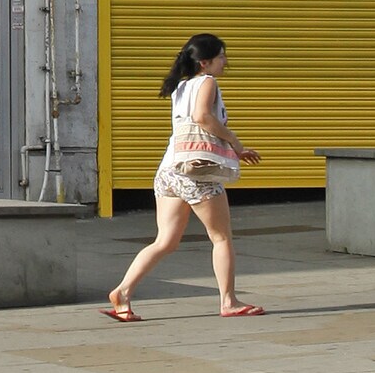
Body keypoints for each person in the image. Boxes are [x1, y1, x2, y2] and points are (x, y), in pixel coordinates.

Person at [106, 32, 264, 321]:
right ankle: (228, 301)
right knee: (221, 237)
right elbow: (203, 117)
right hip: (196, 172)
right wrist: (236, 144)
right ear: (205, 63)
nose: (225, 62)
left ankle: (123, 292)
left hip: (169, 170)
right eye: (221, 57)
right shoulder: (207, 82)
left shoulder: (180, 87)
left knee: (165, 241)